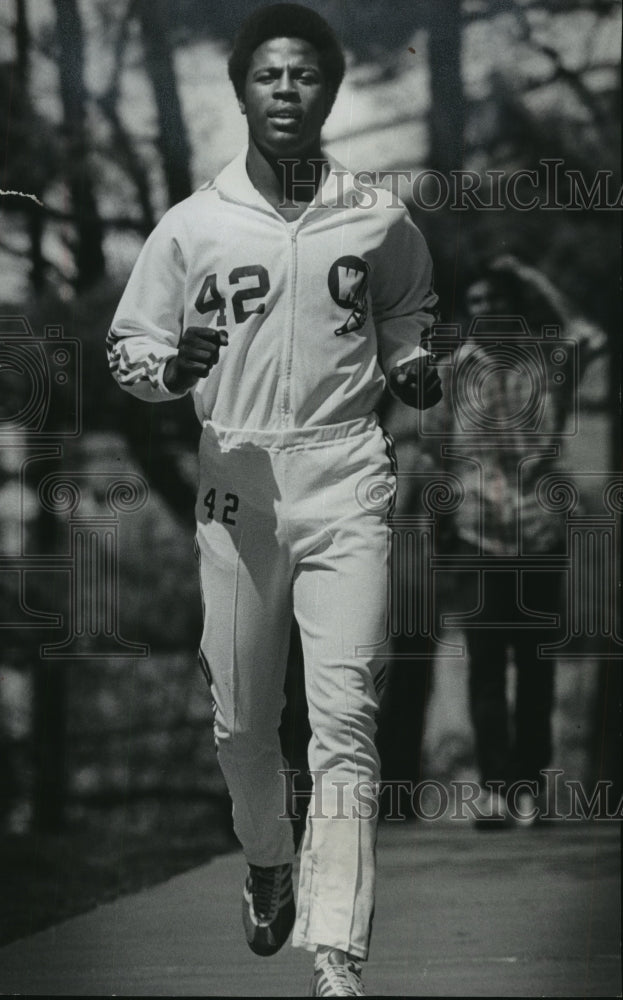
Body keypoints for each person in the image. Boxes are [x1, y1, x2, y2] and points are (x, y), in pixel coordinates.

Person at [107, 5, 442, 994]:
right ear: (242, 90)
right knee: (246, 723)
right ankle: (266, 860)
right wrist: (175, 365)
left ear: (330, 90)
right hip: (238, 481)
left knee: (344, 715)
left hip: (345, 472)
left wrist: (412, 364)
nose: (286, 91)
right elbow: (130, 351)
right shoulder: (193, 225)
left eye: (304, 76)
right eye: (268, 76)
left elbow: (405, 310)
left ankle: (333, 948)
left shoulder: (375, 215)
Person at [442, 255, 607, 827]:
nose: (485, 313)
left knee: (534, 665)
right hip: (477, 532)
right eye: (477, 304)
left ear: (516, 310)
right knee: (486, 664)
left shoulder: (548, 361)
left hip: (538, 532)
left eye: (496, 302)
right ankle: (494, 788)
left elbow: (590, 333)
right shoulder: (458, 365)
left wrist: (536, 277)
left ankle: (529, 789)